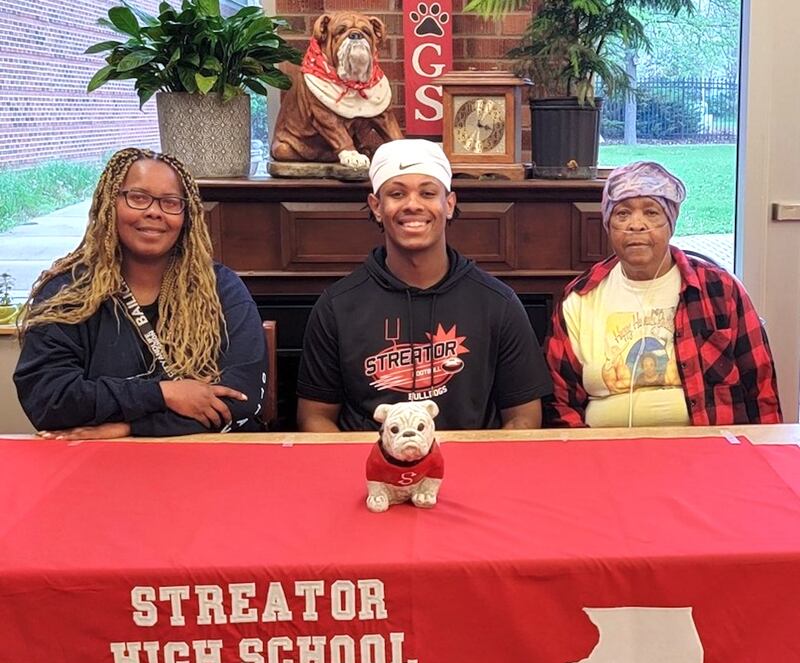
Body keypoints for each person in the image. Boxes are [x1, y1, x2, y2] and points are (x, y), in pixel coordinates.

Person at [296, 138, 552, 431]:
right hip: (370, 470)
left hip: (471, 469)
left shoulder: (498, 303)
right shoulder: (336, 307)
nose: (412, 205)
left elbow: (524, 417)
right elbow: (315, 417)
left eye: (428, 193)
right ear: (377, 207)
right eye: (397, 193)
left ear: (449, 204)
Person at [14, 147, 267, 439]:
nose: (154, 212)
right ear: (110, 203)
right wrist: (162, 394)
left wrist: (130, 428)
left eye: (171, 202)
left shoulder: (222, 288)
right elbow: (47, 399)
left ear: (186, 216)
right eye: (138, 198)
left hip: (206, 459)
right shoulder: (66, 293)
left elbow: (243, 399)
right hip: (100, 463)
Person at [545, 160, 782, 427]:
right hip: (604, 455)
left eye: (651, 212)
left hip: (707, 455)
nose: (637, 225)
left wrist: (764, 453)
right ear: (608, 225)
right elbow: (560, 403)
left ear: (671, 223)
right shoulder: (579, 298)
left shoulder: (722, 290)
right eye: (622, 214)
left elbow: (761, 388)